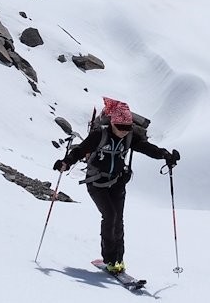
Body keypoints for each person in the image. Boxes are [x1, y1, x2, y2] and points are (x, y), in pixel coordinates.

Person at [54, 97, 179, 274]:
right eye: (121, 127)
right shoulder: (100, 135)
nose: (124, 131)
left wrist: (165, 155)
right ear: (112, 123)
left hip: (117, 182)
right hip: (96, 182)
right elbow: (80, 150)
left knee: (118, 220)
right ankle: (109, 259)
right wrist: (65, 162)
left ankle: (118, 260)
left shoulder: (129, 137)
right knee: (110, 216)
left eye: (127, 127)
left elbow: (147, 148)